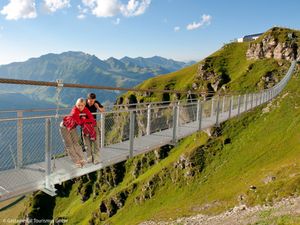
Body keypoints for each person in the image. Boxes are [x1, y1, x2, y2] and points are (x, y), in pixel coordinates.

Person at [60, 98, 96, 167]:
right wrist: (84, 119)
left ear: (84, 105)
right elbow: (79, 122)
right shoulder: (74, 111)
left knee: (76, 142)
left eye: (82, 105)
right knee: (69, 144)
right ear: (76, 104)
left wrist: (84, 119)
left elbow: (92, 119)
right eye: (78, 105)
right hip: (65, 127)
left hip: (72, 127)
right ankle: (76, 161)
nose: (80, 107)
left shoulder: (85, 109)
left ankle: (81, 158)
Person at [82, 93, 105, 164]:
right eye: (90, 101)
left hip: (93, 125)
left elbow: (103, 110)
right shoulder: (84, 103)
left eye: (93, 101)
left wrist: (98, 107)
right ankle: (89, 157)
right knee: (86, 142)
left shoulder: (96, 103)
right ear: (87, 99)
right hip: (85, 125)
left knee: (96, 142)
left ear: (94, 100)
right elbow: (77, 108)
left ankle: (96, 158)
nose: (91, 102)